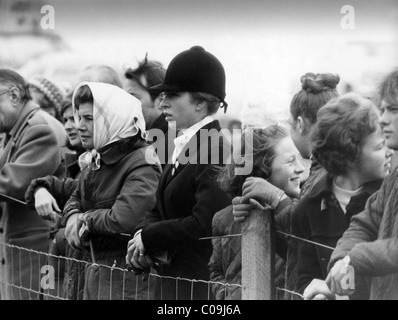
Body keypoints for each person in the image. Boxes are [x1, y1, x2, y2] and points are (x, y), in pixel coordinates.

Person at [126, 46, 231, 300]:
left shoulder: (216, 146)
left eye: (172, 94)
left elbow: (205, 224)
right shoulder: (185, 142)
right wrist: (144, 238)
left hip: (199, 290)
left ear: (201, 102)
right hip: (174, 285)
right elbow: (157, 207)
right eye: (162, 95)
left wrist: (149, 237)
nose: (163, 102)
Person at [232, 72, 341, 298]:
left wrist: (277, 198)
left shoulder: (329, 175)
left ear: (299, 124)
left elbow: (312, 235)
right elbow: (301, 248)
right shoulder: (325, 169)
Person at [61, 82, 161, 300]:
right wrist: (71, 216)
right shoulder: (98, 157)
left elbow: (122, 219)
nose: (79, 126)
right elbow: (75, 196)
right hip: (93, 271)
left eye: (89, 118)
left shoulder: (142, 162)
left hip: (124, 280)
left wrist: (85, 220)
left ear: (114, 118)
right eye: (79, 117)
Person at [292, 93, 392, 300]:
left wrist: (338, 292)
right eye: (380, 146)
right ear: (350, 157)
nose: (390, 151)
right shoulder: (308, 208)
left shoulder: (389, 197)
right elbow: (305, 280)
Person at [326, 68, 398, 300]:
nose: (383, 119)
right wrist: (341, 262)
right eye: (383, 108)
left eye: (393, 109)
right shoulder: (395, 177)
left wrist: (353, 259)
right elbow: (365, 224)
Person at [209, 125, 304, 300]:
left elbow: (303, 251)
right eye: (291, 161)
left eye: (298, 159)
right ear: (262, 169)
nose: (301, 168)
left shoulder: (303, 212)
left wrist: (279, 199)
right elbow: (216, 271)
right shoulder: (224, 219)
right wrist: (227, 296)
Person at [0, 68, 62, 300]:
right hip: (21, 248)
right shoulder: (17, 128)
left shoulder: (38, 128)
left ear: (14, 96)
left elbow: (13, 183)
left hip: (34, 249)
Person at [25, 98, 86, 299]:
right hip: (54, 259)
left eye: (76, 118)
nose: (69, 125)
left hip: (74, 264)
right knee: (46, 295)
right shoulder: (70, 164)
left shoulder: (94, 168)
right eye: (65, 119)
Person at [123, 55, 172, 166]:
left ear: (161, 100)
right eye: (123, 99)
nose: (124, 105)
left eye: (133, 98)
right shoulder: (138, 138)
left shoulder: (172, 145)